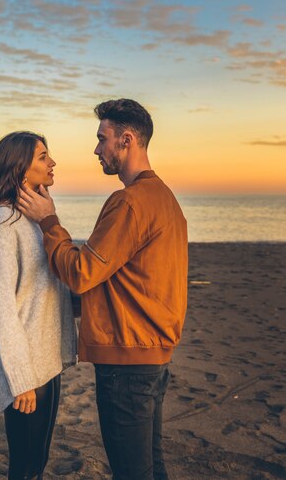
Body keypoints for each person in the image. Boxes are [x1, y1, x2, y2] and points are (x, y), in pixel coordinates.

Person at [17, 99, 188, 480]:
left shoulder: (129, 202)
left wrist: (49, 223)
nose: (96, 149)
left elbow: (81, 272)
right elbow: (126, 280)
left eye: (102, 139)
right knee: (150, 468)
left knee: (133, 473)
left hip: (128, 362)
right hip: (153, 356)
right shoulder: (166, 198)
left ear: (126, 140)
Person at [0, 131, 77, 480]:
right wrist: (20, 380)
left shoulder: (33, 219)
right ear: (19, 168)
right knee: (24, 466)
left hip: (46, 363)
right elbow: (1, 310)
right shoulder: (2, 224)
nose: (52, 163)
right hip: (26, 372)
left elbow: (51, 287)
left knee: (38, 462)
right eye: (43, 157)